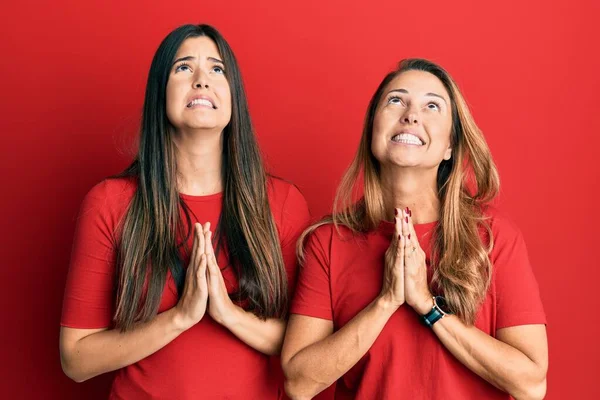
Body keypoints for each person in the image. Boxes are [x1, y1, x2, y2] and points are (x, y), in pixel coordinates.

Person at [60, 23, 309, 399]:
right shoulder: (110, 202)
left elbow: (299, 347)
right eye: (183, 68)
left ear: (233, 96)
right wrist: (180, 317)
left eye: (216, 69)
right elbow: (76, 358)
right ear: (159, 93)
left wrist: (226, 312)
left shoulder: (283, 202)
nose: (201, 80)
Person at [281, 58, 548, 400]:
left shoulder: (495, 239)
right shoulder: (327, 242)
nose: (411, 115)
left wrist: (428, 306)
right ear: (372, 131)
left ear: (450, 146)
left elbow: (530, 384)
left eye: (432, 106)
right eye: (396, 100)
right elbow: (299, 383)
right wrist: (387, 301)